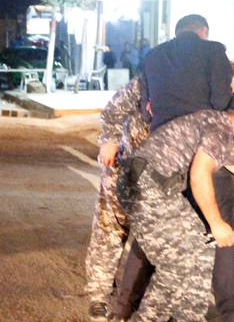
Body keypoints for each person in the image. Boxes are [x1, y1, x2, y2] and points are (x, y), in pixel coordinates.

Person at [123, 91, 234, 321]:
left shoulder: (221, 129)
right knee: (184, 263)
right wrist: (217, 223)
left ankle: (180, 316)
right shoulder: (220, 132)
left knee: (197, 254)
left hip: (153, 187)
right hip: (146, 188)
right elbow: (199, 175)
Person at [84, 77, 149, 322]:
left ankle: (136, 295)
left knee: (149, 239)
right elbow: (113, 111)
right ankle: (99, 295)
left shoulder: (201, 86)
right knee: (110, 231)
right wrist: (109, 142)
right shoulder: (151, 78)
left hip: (160, 175)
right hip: (124, 165)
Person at [141, 14, 233, 131]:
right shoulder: (213, 50)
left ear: (177, 32)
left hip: (161, 135)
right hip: (199, 134)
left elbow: (145, 107)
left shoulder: (153, 54)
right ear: (203, 31)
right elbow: (221, 100)